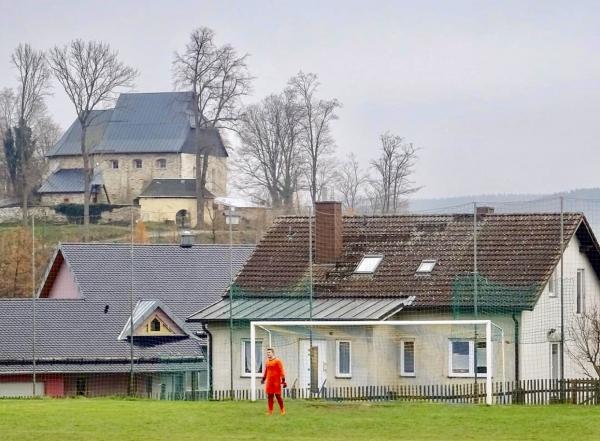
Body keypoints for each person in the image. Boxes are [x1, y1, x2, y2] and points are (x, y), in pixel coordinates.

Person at [261, 347, 286, 415]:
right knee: (270, 396)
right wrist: (263, 379)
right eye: (267, 353)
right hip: (269, 382)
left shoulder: (277, 361)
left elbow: (281, 370)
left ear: (273, 353)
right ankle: (270, 411)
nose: (268, 354)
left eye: (269, 352)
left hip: (276, 382)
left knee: (278, 396)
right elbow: (266, 371)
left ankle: (282, 410)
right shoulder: (267, 362)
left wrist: (283, 380)